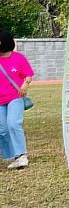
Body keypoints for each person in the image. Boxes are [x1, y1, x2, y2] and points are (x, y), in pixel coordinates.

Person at [0, 30, 34, 170]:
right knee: (2, 129)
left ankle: (22, 155)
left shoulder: (18, 58)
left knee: (13, 124)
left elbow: (29, 75)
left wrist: (25, 85)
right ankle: (14, 156)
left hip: (15, 97)